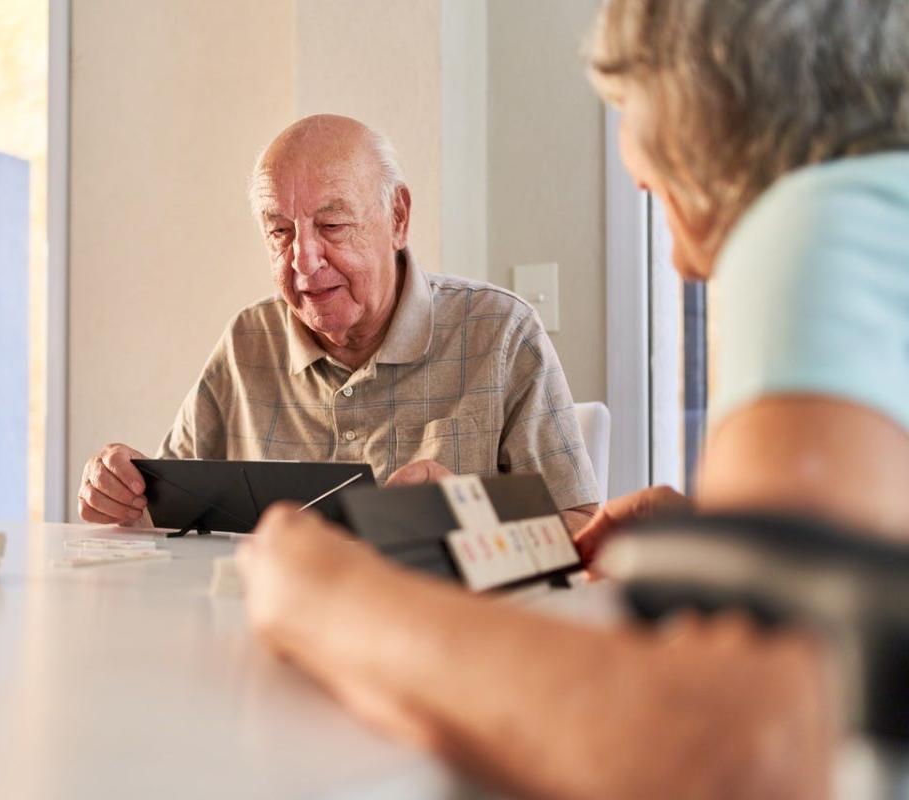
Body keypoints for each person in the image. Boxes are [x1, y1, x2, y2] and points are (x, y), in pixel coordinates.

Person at [235, 0, 909, 796]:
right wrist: (722, 544)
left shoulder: (815, 228)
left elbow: (745, 753)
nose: (679, 260)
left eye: (624, 113)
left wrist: (335, 602)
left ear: (694, 99)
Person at [77, 115, 600, 532]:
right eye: (280, 232)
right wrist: (120, 490)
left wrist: (472, 516)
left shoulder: (501, 332)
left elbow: (583, 530)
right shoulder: (247, 342)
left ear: (398, 218)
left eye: (332, 225)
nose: (303, 261)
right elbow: (165, 519)